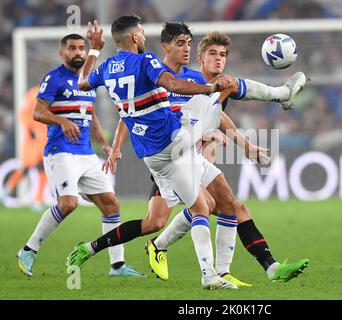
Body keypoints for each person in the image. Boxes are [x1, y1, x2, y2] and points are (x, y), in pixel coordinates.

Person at [66, 16, 240, 290]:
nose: (144, 35)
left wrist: (94, 49)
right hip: (168, 148)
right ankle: (209, 275)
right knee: (200, 207)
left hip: (152, 149)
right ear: (135, 37)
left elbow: (83, 82)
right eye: (142, 32)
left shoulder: (109, 67)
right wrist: (210, 87)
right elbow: (172, 85)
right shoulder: (146, 61)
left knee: (154, 222)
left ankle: (89, 248)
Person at [140, 25, 309, 284]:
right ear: (201, 59)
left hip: (192, 156)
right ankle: (190, 263)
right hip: (170, 158)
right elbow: (195, 115)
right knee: (178, 214)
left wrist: (246, 146)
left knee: (231, 206)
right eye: (213, 53)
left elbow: (220, 117)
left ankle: (264, 268)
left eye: (223, 54)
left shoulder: (212, 88)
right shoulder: (185, 83)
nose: (219, 58)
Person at [16, 33, 143, 278]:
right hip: (60, 152)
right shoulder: (54, 78)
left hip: (86, 154)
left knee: (111, 204)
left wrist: (105, 144)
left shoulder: (87, 82)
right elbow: (38, 112)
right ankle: (28, 250)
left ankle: (117, 266)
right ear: (62, 53)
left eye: (81, 48)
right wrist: (61, 120)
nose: (78, 52)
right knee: (68, 203)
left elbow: (91, 115)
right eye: (72, 48)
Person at [0, 86, 47, 211]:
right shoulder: (33, 94)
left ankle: (38, 200)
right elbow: (23, 114)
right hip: (32, 141)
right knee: (25, 168)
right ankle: (7, 190)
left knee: (43, 169)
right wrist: (31, 130)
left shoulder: (52, 93)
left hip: (44, 140)